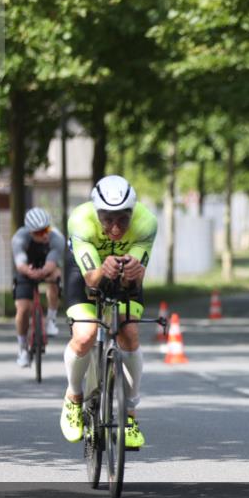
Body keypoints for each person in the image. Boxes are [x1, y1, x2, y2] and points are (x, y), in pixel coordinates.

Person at [59, 175, 157, 450]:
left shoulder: (147, 222)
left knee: (129, 332)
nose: (115, 228)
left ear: (133, 213)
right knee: (85, 333)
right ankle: (74, 397)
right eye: (107, 219)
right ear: (96, 212)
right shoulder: (80, 220)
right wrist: (104, 270)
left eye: (122, 220)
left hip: (124, 269)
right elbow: (92, 279)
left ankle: (130, 415)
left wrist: (131, 275)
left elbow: (133, 281)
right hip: (85, 270)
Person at [11, 207, 66, 367]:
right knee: (23, 309)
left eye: (46, 229)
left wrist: (42, 273)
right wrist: (29, 272)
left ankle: (51, 319)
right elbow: (20, 263)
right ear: (30, 232)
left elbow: (51, 262)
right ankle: (22, 348)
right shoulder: (19, 238)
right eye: (39, 232)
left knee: (55, 277)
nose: (45, 234)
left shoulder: (57, 238)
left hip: (46, 266)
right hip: (26, 269)